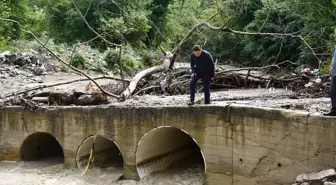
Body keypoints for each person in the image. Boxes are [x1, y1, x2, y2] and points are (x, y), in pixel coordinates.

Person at [324, 29, 336, 116]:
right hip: (335, 72)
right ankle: (334, 110)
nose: (334, 35)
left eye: (335, 34)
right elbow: (334, 57)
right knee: (332, 91)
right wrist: (331, 67)